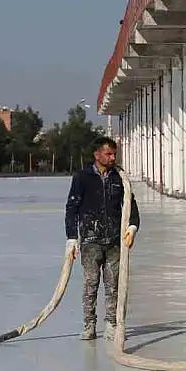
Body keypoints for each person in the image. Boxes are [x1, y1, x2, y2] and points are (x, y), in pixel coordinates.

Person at [64, 136, 141, 341]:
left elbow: (131, 207)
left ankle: (111, 324)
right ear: (96, 155)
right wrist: (71, 238)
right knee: (91, 283)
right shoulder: (82, 178)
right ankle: (89, 325)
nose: (112, 157)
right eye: (108, 153)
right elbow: (71, 208)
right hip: (90, 240)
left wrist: (132, 228)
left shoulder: (120, 178)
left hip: (115, 241)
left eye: (114, 153)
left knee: (113, 284)